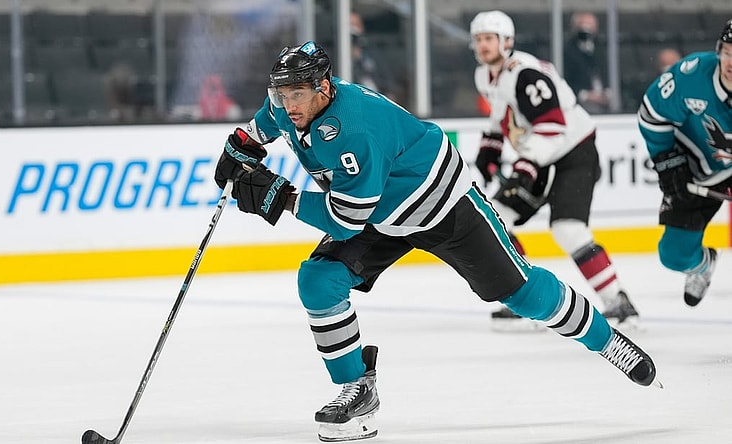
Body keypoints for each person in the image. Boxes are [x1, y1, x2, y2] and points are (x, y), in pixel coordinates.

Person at [213, 40, 659, 442]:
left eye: (297, 95)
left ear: (324, 88)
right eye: (282, 94)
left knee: (521, 293)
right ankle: (357, 391)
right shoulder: (289, 102)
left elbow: (348, 219)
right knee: (318, 280)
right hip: (381, 211)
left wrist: (283, 199)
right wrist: (239, 146)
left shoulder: (355, 130)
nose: (288, 105)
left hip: (442, 204)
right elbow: (261, 128)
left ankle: (606, 341)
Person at [468, 10, 639, 331]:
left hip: (574, 151)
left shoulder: (526, 74)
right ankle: (524, 298)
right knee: (497, 220)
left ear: (507, 41)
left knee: (568, 228)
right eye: (478, 39)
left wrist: (526, 164)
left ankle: (619, 302)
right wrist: (489, 149)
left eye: (489, 38)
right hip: (541, 155)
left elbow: (552, 124)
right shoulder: (485, 75)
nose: (483, 45)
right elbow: (505, 115)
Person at [637, 19, 732, 307]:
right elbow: (652, 114)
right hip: (695, 170)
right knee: (674, 255)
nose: (731, 61)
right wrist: (668, 161)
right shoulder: (691, 76)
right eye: (728, 52)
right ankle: (703, 265)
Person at [563, 11, 611, 113]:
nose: (587, 31)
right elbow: (566, 80)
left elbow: (610, 74)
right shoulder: (567, 51)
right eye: (583, 27)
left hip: (605, 100)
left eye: (590, 27)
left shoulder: (603, 49)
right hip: (580, 102)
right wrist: (586, 95)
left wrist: (607, 93)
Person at [350, 12, 397, 102]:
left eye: (356, 25)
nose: (353, 29)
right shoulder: (337, 55)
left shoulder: (371, 51)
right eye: (351, 25)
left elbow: (385, 76)